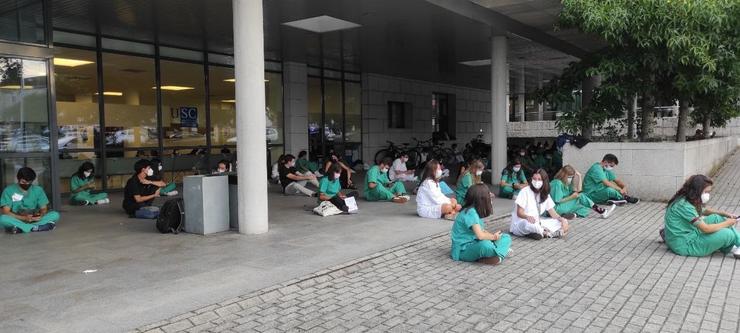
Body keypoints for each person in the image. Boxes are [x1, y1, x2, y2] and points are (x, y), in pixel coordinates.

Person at [662, 175, 740, 258]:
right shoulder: (684, 206)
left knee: (716, 218)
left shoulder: (685, 198)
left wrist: (723, 213)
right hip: (685, 245)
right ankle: (730, 243)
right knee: (727, 234)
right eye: (706, 192)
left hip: (688, 234)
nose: (708, 195)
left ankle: (733, 243)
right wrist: (728, 223)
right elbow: (706, 229)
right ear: (697, 190)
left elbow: (703, 210)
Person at [450, 184, 512, 265]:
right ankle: (499, 253)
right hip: (462, 251)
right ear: (481, 199)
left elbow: (483, 231)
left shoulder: (474, 211)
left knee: (505, 237)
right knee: (485, 245)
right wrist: (494, 237)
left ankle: (498, 254)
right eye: (488, 194)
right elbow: (480, 236)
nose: (490, 196)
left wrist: (494, 238)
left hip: (475, 243)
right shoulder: (471, 212)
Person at [509, 169, 570, 239]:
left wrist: (562, 220)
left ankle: (541, 233)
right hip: (522, 223)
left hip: (537, 222)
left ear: (544, 181)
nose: (536, 181)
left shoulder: (545, 194)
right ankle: (547, 233)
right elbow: (519, 213)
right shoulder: (525, 191)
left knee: (561, 222)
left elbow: (553, 213)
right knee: (530, 225)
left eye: (539, 179)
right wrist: (527, 217)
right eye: (534, 179)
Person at [1, 167, 60, 234]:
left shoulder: (38, 190)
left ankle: (20, 228)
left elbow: (43, 208)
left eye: (29, 182)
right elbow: (6, 212)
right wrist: (24, 218)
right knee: (3, 219)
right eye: (23, 182)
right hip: (17, 219)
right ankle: (36, 228)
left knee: (55, 215)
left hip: (34, 219)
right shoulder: (8, 190)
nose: (26, 184)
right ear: (18, 179)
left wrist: (40, 215)